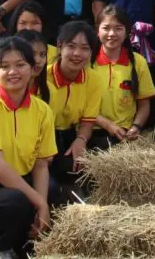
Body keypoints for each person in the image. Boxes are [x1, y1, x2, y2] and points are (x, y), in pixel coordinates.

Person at [0, 37, 64, 259]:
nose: (12, 72)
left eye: (20, 65)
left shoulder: (42, 110)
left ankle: (25, 243)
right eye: (4, 67)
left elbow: (40, 165)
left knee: (54, 194)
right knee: (15, 201)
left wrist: (43, 204)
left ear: (32, 68)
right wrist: (39, 202)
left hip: (23, 177)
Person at [43, 22, 108, 186]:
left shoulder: (94, 80)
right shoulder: (43, 77)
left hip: (70, 134)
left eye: (85, 48)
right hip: (43, 136)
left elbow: (88, 120)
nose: (77, 54)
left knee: (86, 166)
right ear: (59, 47)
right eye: (71, 46)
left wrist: (81, 140)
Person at [90, 5, 155, 144]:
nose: (112, 33)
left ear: (127, 32)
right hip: (90, 129)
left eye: (118, 28)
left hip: (123, 134)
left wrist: (136, 126)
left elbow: (144, 104)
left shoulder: (138, 62)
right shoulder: (87, 61)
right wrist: (108, 125)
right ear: (97, 31)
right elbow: (80, 104)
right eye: (106, 28)